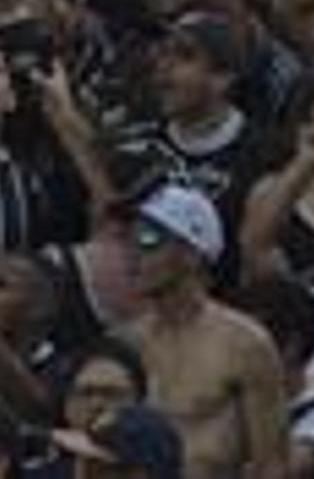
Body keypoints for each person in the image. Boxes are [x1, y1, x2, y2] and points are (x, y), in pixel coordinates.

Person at [110, 189, 284, 479]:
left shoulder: (245, 345)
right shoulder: (124, 342)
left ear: (191, 254)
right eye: (128, 240)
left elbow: (273, 467)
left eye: (148, 241)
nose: (132, 255)